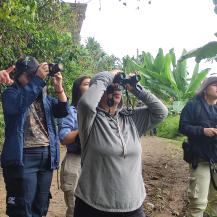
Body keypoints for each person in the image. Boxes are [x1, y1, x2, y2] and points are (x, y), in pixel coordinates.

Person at [74, 70, 168, 217]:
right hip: (94, 204)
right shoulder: (90, 120)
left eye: (119, 87)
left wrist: (134, 88)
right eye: (111, 87)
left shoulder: (130, 118)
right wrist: (108, 75)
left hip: (132, 204)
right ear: (101, 90)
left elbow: (161, 112)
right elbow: (86, 103)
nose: (116, 89)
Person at [1, 56, 69, 217]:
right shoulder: (10, 93)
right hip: (23, 157)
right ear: (18, 75)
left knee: (41, 204)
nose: (33, 79)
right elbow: (18, 105)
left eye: (35, 75)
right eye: (29, 76)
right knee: (22, 208)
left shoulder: (43, 97)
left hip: (47, 155)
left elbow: (62, 111)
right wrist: (38, 79)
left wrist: (59, 88)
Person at [179, 76, 217, 217]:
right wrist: (202, 131)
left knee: (216, 200)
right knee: (198, 202)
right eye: (215, 84)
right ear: (205, 88)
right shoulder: (193, 105)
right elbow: (183, 127)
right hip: (200, 158)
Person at [58, 75, 91, 217]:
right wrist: (84, 128)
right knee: (75, 208)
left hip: (95, 161)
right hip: (75, 160)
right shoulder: (71, 111)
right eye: (87, 84)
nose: (91, 86)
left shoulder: (101, 110)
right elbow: (64, 138)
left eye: (93, 84)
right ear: (78, 89)